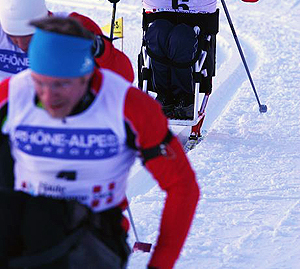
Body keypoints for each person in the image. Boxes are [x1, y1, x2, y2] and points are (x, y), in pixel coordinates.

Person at [0, 16, 199, 269]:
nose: (49, 97)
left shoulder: (128, 106)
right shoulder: (13, 94)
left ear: (87, 74)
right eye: (39, 83)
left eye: (62, 85)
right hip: (22, 225)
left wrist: (160, 264)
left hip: (93, 235)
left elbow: (182, 186)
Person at [85, 0, 261, 119]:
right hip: (158, 21)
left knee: (181, 37)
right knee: (158, 33)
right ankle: (163, 98)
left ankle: (185, 99)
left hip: (198, 24)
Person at [0, 0, 134, 83]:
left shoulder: (72, 27)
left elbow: (124, 79)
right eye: (14, 38)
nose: (22, 45)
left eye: (30, 37)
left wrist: (100, 50)